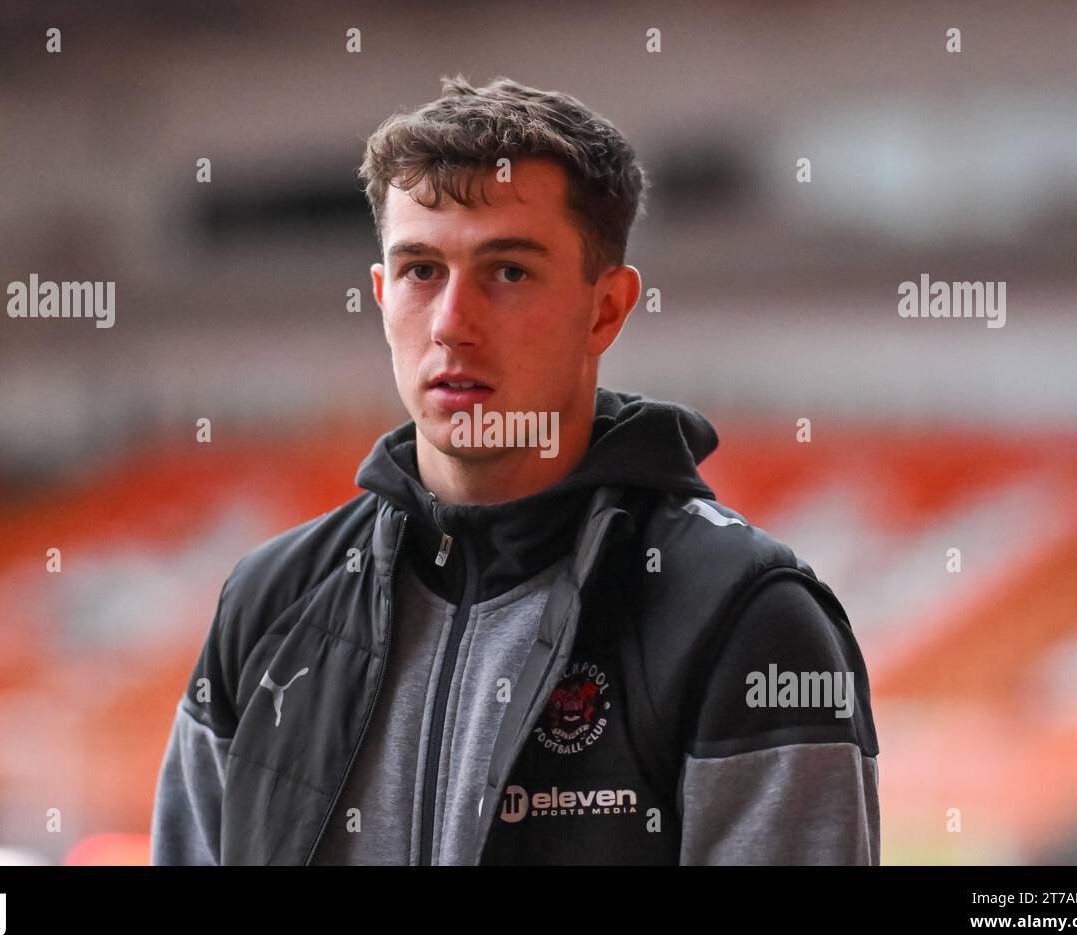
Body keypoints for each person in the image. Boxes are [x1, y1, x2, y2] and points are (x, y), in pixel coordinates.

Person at [150, 74, 880, 866]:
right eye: (420, 271)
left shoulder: (743, 619)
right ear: (380, 294)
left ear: (605, 310)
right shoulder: (270, 603)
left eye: (508, 272)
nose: (453, 325)